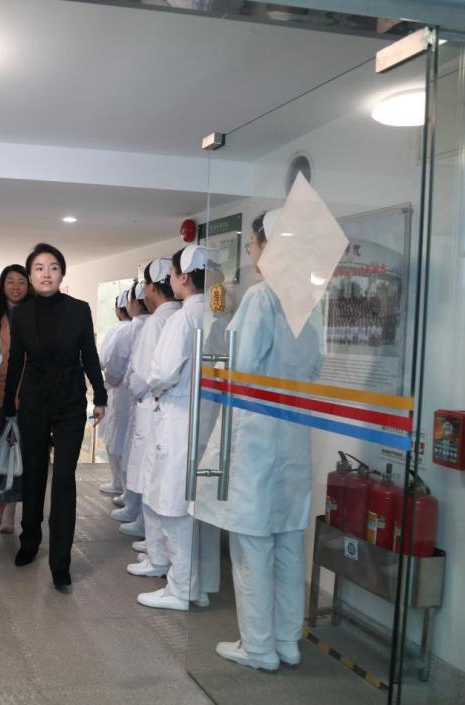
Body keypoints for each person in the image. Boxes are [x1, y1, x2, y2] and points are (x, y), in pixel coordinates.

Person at [195, 212, 323, 671]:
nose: (250, 252)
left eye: (252, 244)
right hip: (292, 437)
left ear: (269, 247)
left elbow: (242, 365)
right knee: (288, 540)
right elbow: (315, 368)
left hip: (255, 439)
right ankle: (287, 640)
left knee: (252, 544)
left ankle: (258, 647)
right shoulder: (308, 303)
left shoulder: (262, 297)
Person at [4, 242, 107, 590]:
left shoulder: (79, 310)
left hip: (69, 402)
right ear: (30, 275)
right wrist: (10, 402)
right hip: (34, 400)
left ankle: (61, 561)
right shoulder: (21, 314)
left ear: (62, 273)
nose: (46, 274)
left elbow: (89, 354)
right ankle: (29, 541)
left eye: (53, 267)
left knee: (63, 478)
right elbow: (16, 360)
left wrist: (100, 395)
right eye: (39, 268)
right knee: (34, 474)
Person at [137, 245, 220, 612]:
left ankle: (180, 587)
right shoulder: (216, 315)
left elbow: (162, 372)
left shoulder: (183, 319)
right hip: (208, 420)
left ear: (183, 277)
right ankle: (200, 585)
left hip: (179, 418)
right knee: (199, 509)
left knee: (174, 505)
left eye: (172, 274)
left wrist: (155, 387)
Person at [123, 259, 180, 578]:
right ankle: (157, 550)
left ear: (150, 287)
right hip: (169, 413)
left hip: (154, 408)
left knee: (152, 482)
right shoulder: (179, 316)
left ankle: (157, 554)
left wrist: (138, 392)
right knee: (161, 485)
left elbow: (145, 374)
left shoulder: (160, 321)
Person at [0, 264, 33, 534]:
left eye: (21, 282)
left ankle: (11, 508)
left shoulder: (35, 313)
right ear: (2, 285)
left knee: (18, 451)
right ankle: (1, 502)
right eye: (10, 281)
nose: (16, 287)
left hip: (27, 395)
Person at [109, 285, 149, 538]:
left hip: (132, 395)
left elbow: (114, 364)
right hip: (142, 400)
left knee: (129, 448)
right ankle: (133, 505)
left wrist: (118, 381)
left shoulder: (132, 329)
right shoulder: (163, 322)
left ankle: (133, 505)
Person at [97, 292, 132, 498]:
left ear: (119, 310)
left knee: (116, 437)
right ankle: (125, 488)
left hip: (118, 390)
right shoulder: (142, 326)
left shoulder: (119, 331)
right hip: (133, 393)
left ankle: (119, 483)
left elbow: (106, 361)